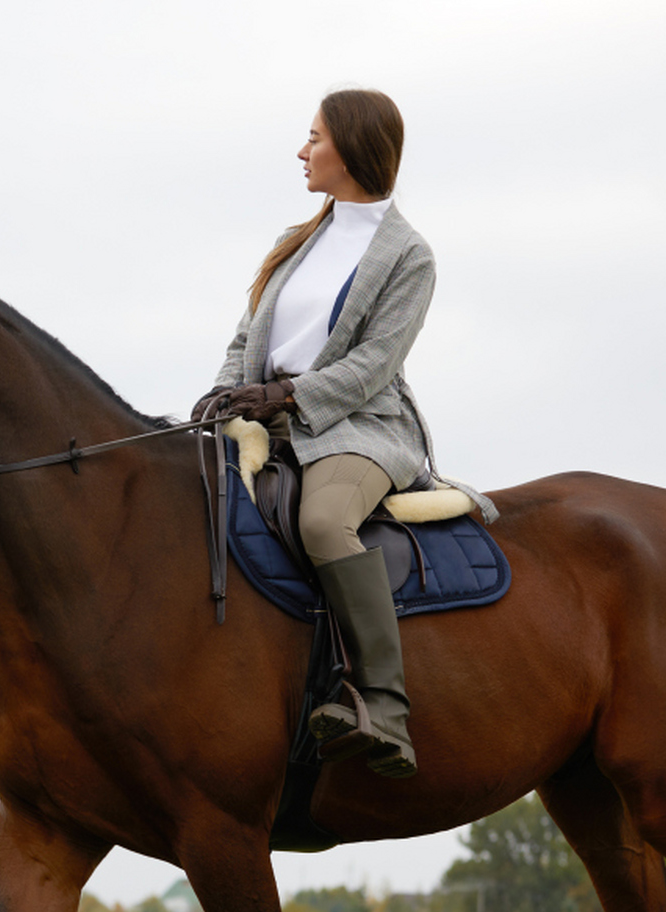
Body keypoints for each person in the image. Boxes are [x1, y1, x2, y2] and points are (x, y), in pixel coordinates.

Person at [193, 87, 434, 779]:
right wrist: (227, 388)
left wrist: (289, 393)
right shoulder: (294, 241)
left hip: (358, 427)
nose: (303, 151)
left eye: (315, 138)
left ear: (353, 147)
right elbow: (249, 335)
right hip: (263, 416)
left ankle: (385, 704)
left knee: (325, 522)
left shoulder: (409, 256)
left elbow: (372, 366)